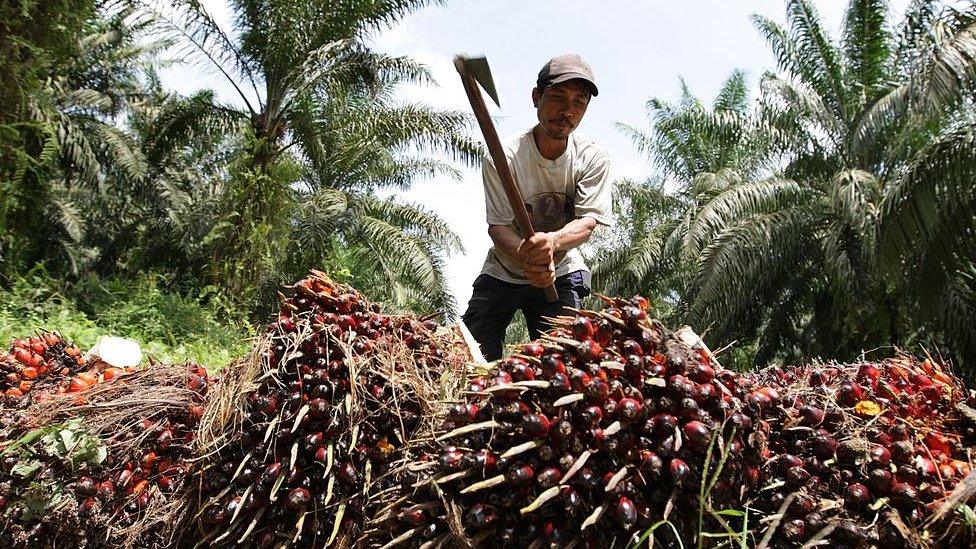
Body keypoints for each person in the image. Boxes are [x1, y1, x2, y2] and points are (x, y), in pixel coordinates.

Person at [462, 53, 612, 361]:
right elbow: (499, 227)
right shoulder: (504, 157)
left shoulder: (592, 158)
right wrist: (526, 255)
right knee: (470, 357)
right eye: (557, 97)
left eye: (578, 102)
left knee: (567, 363)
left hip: (562, 271)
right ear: (536, 97)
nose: (567, 111)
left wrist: (552, 242)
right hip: (504, 269)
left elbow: (587, 223)